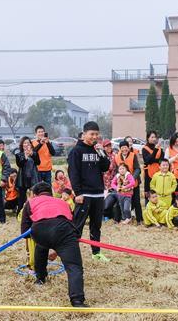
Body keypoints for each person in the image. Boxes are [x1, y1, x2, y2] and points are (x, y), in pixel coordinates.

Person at [20, 181, 86, 307]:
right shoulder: (63, 202)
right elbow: (72, 223)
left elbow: (25, 231)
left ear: (34, 194)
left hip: (40, 230)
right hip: (64, 231)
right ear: (51, 193)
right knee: (74, 267)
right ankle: (77, 300)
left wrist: (43, 238)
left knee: (41, 245)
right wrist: (58, 247)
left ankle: (40, 278)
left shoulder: (30, 202)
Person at [67, 121, 112, 261]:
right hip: (84, 194)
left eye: (97, 134)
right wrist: (78, 192)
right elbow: (73, 173)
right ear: (84, 134)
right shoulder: (76, 151)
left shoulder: (97, 150)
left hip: (98, 193)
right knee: (77, 225)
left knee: (96, 225)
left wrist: (102, 153)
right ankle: (70, 252)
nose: (94, 137)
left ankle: (96, 252)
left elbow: (105, 167)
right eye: (92, 134)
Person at [114, 140, 142, 223]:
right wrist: (119, 181)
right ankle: (119, 219)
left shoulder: (133, 156)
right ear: (120, 148)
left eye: (126, 147)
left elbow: (137, 169)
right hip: (122, 184)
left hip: (134, 183)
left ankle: (139, 220)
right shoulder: (117, 156)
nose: (124, 149)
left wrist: (131, 179)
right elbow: (116, 170)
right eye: (122, 148)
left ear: (128, 147)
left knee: (136, 201)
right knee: (120, 201)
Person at [15, 137, 40, 215]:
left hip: (33, 177)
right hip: (22, 178)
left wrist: (32, 154)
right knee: (21, 198)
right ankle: (20, 213)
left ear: (31, 144)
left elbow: (38, 162)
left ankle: (35, 213)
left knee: (35, 196)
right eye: (25, 143)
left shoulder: (35, 153)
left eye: (28, 143)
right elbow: (20, 164)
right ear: (22, 145)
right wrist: (25, 156)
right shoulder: (18, 154)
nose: (26, 145)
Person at [141, 131, 164, 195]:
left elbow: (161, 160)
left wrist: (154, 160)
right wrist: (155, 150)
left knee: (158, 192)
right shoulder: (144, 149)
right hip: (149, 174)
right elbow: (148, 161)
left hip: (158, 172)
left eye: (155, 137)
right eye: (152, 137)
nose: (154, 139)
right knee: (149, 193)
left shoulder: (160, 148)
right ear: (148, 138)